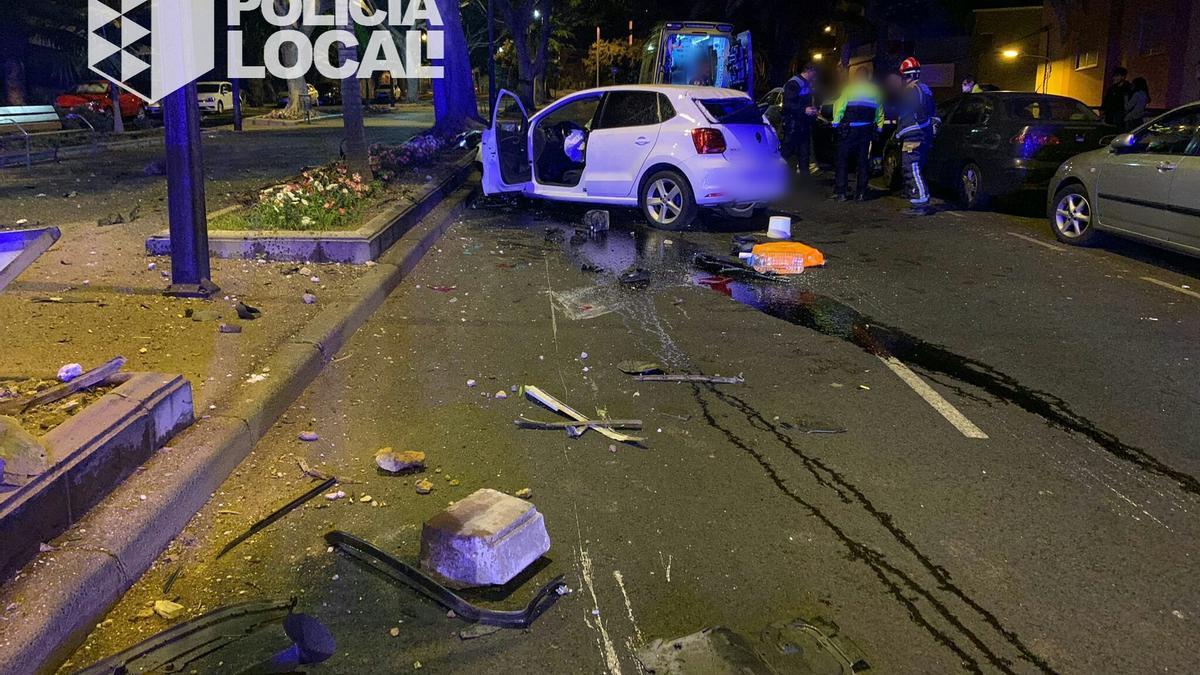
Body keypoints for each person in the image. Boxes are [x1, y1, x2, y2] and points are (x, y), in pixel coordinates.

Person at [830, 67, 884, 201]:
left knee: (842, 160)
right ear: (867, 77)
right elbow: (880, 112)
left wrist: (835, 123)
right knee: (862, 162)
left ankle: (841, 192)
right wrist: (879, 128)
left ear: (856, 78)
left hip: (849, 130)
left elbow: (840, 108)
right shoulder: (875, 91)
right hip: (866, 131)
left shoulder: (849, 90)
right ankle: (861, 193)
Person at [893, 57, 937, 215]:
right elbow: (932, 113)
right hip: (920, 134)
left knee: (911, 167)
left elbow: (917, 113)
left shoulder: (912, 90)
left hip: (914, 135)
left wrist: (905, 130)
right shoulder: (924, 89)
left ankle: (920, 202)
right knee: (915, 167)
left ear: (907, 76)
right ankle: (919, 200)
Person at [781, 62, 819, 175]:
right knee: (786, 152)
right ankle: (776, 177)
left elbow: (806, 101)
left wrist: (813, 110)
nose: (815, 75)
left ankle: (804, 181)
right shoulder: (794, 83)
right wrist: (804, 110)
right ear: (809, 71)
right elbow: (787, 104)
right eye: (814, 73)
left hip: (804, 125)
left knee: (804, 154)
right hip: (793, 125)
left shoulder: (806, 84)